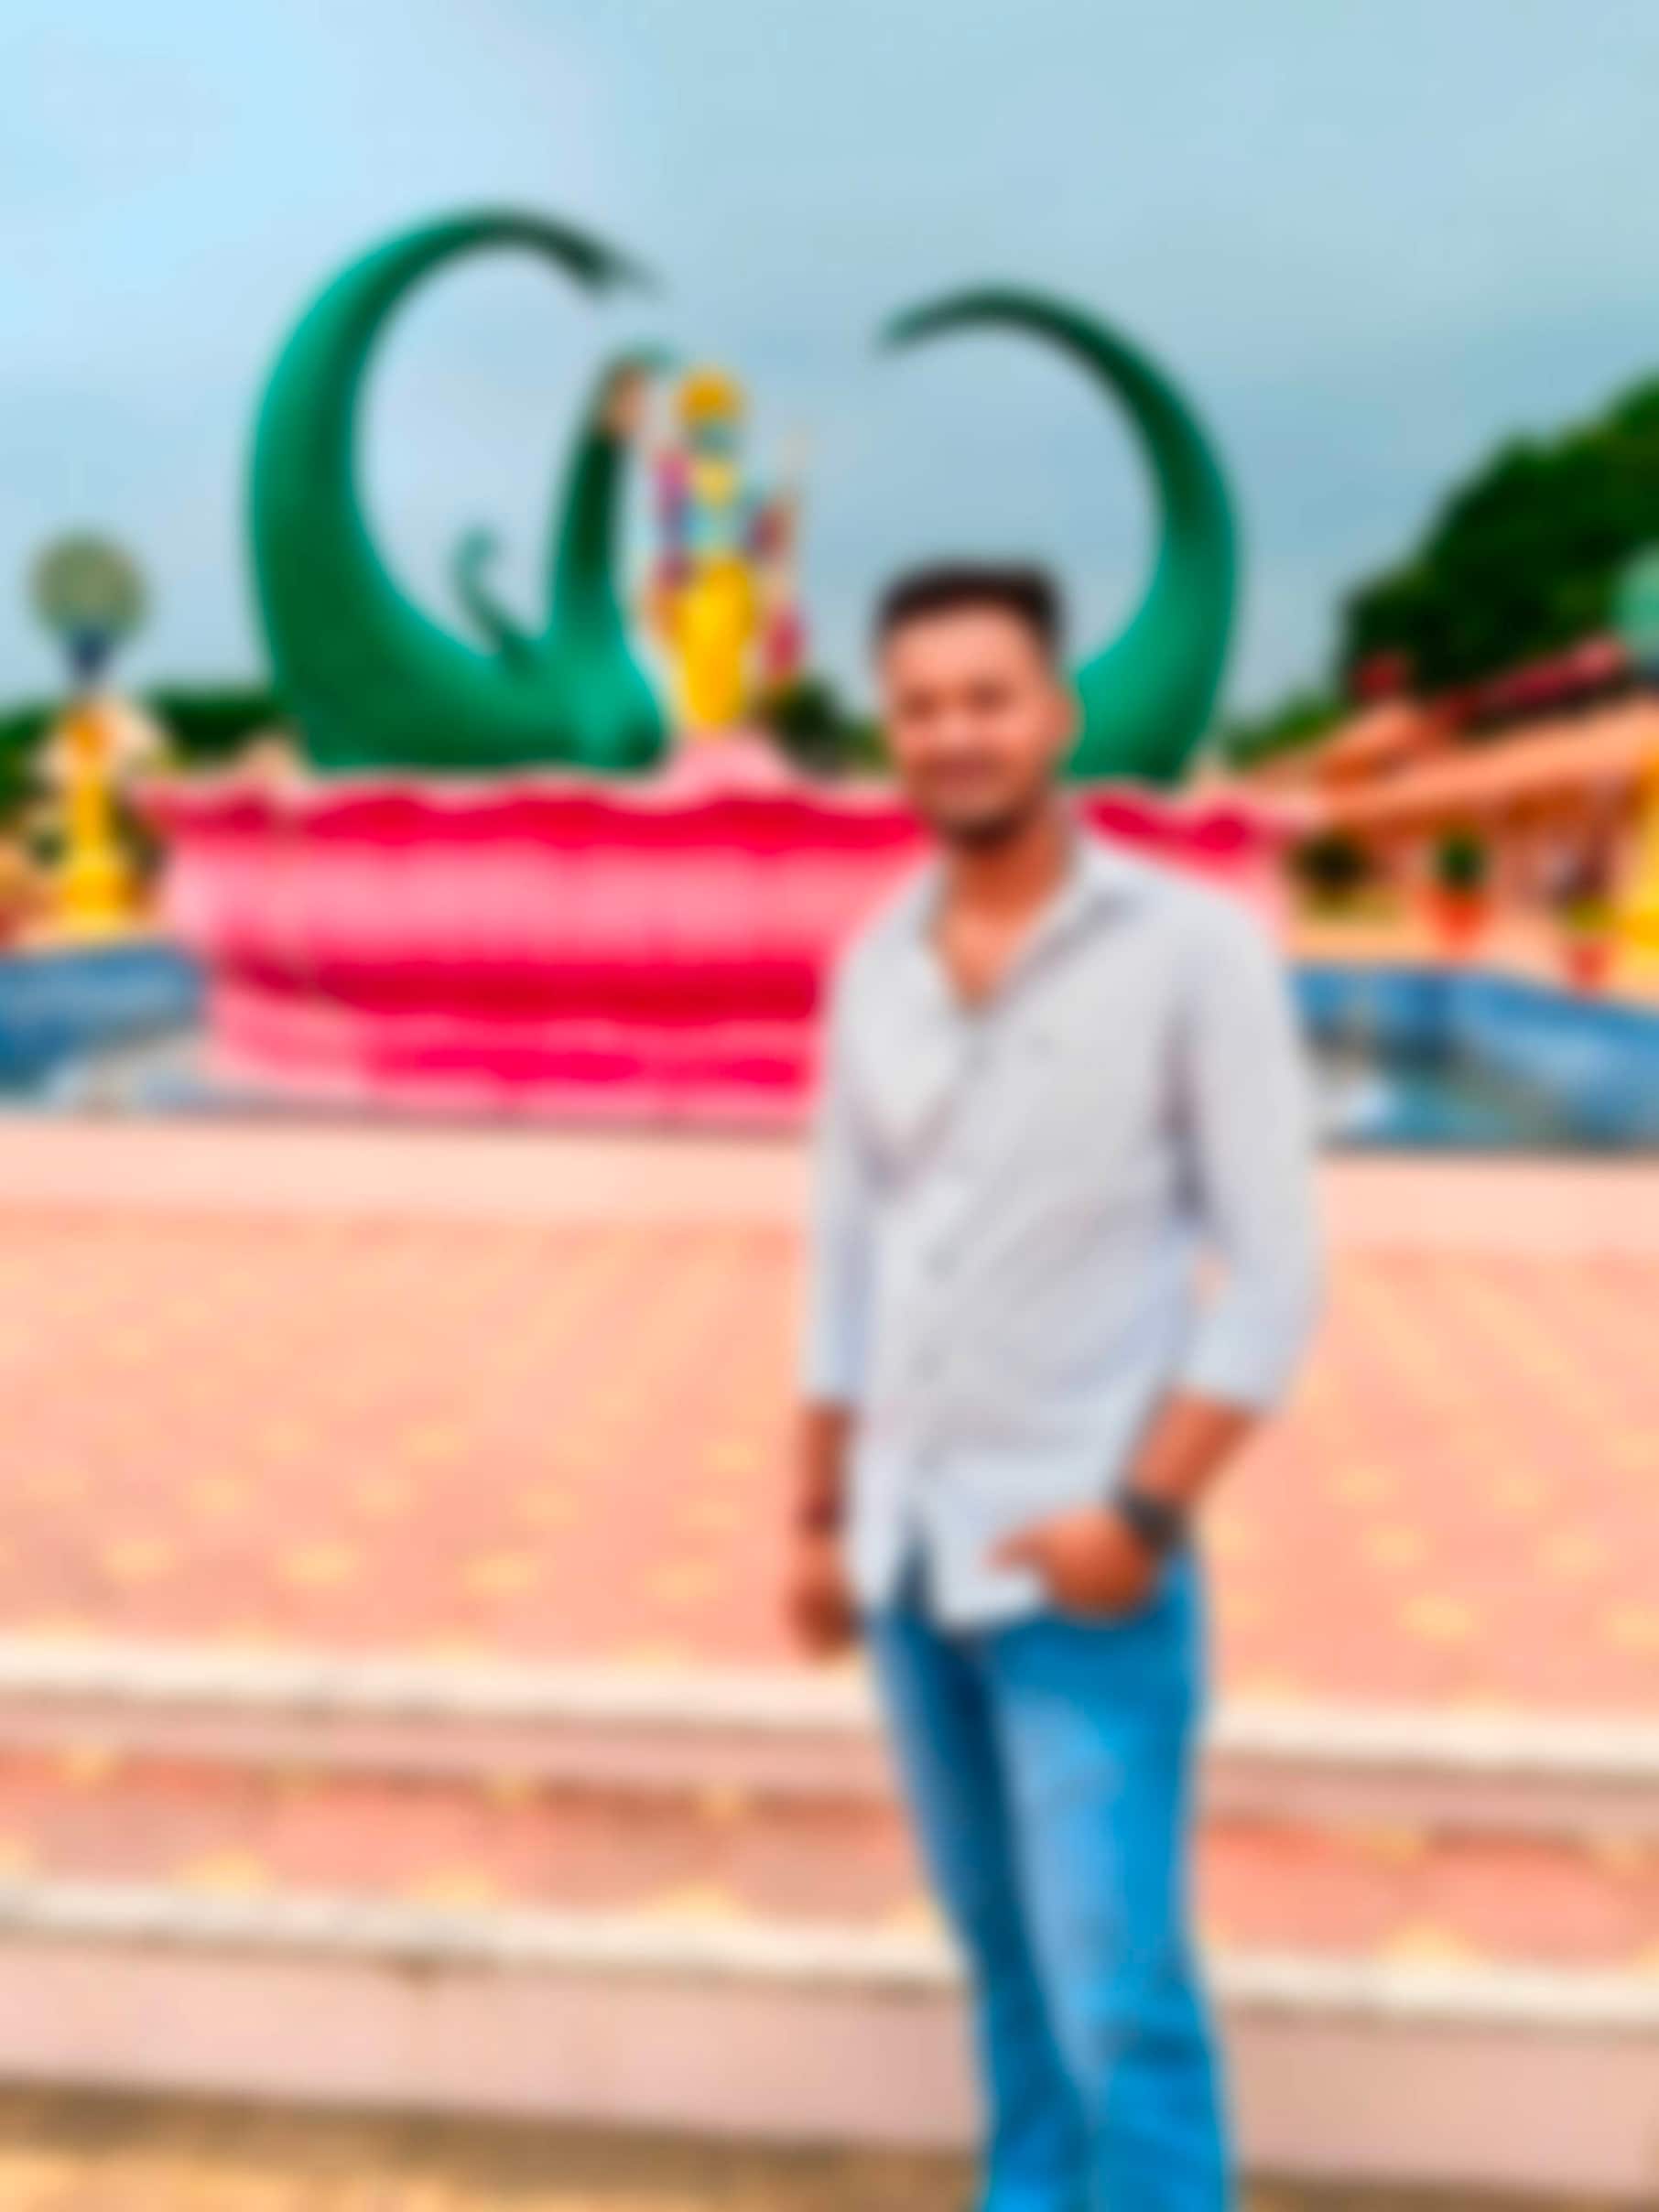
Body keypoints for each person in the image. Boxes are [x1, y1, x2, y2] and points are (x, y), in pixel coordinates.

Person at [787, 564, 1321, 2210]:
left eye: (988, 697)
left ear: (1058, 715)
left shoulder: (1192, 952)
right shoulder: (873, 967)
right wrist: (816, 1521)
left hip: (1081, 1564)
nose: (955, 732)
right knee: (1008, 1971)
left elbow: (1276, 1276)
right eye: (921, 705)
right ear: (892, 731)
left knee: (1119, 1997)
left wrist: (1141, 1519)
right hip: (906, 1558)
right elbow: (847, 1265)